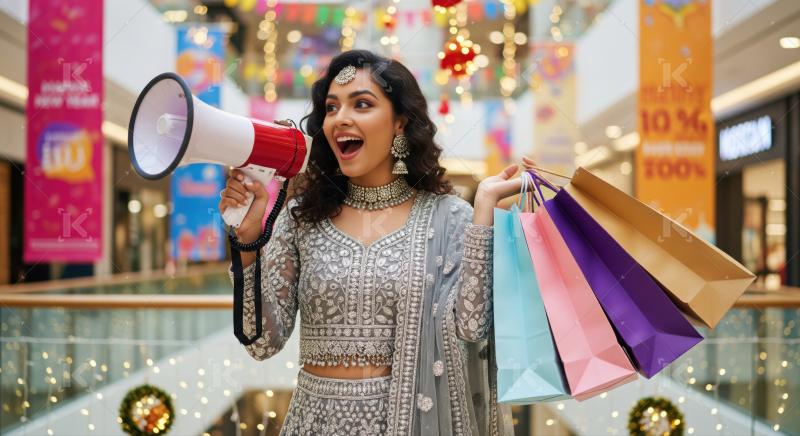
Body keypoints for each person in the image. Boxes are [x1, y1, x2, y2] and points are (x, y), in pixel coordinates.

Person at [219, 49, 522, 436]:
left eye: (361, 104)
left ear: (399, 123)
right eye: (331, 108)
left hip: (405, 424)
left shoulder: (448, 218)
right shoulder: (300, 218)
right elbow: (261, 343)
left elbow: (472, 327)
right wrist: (247, 244)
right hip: (315, 423)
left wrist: (483, 211)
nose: (340, 118)